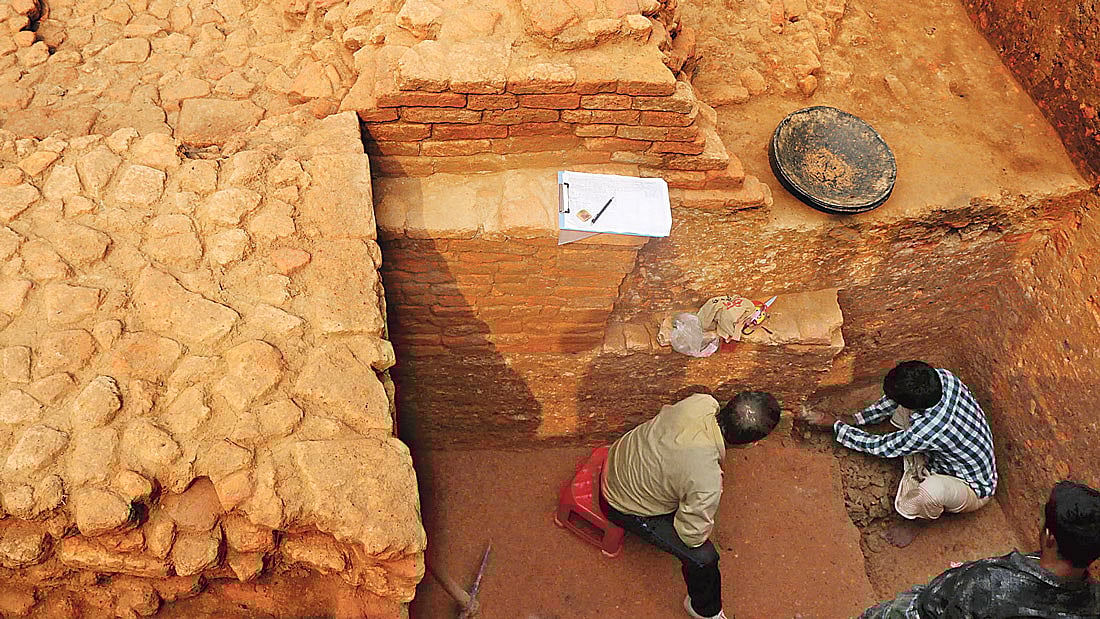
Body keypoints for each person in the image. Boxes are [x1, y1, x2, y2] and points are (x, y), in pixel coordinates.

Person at [602, 391, 781, 619]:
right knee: (704, 559)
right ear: (753, 443)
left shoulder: (701, 402)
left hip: (620, 458)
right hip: (621, 504)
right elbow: (691, 536)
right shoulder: (706, 480)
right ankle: (705, 610)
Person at [798, 361, 997, 547]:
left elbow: (882, 448)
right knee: (903, 410)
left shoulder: (927, 430)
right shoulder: (943, 378)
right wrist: (854, 419)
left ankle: (918, 521)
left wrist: (836, 425)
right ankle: (909, 451)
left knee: (932, 490)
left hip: (972, 487)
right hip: (949, 453)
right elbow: (893, 401)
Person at [861, 480, 1100, 618]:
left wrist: (963, 576)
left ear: (1049, 538)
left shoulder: (987, 584)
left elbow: (935, 607)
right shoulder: (1093, 603)